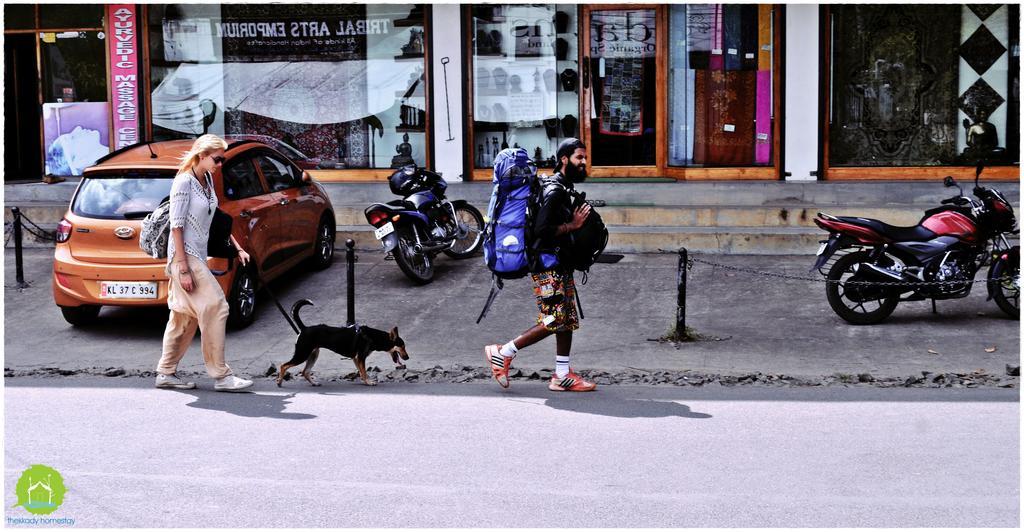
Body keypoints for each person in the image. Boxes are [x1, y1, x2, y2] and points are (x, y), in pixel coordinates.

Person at [484, 138, 596, 392]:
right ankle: (503, 352)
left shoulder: (561, 187)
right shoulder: (555, 190)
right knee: (555, 318)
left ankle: (562, 375)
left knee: (566, 319)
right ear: (564, 159)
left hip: (558, 262)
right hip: (546, 265)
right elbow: (541, 231)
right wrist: (573, 226)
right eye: (579, 157)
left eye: (585, 158)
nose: (584, 162)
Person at [155, 134, 253, 392]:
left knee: (183, 319)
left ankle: (166, 373)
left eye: (222, 160)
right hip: (184, 257)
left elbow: (214, 219)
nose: (220, 165)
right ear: (201, 154)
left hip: (196, 256)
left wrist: (237, 247)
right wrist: (184, 268)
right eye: (217, 159)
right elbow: (176, 227)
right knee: (217, 306)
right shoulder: (183, 182)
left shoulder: (207, 180)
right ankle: (221, 376)